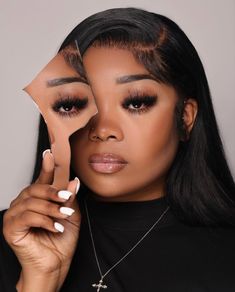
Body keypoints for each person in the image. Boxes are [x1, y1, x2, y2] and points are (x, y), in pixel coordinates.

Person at [1, 7, 235, 292]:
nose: (102, 129)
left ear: (185, 117)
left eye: (136, 103)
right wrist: (39, 279)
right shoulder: (14, 238)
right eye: (77, 103)